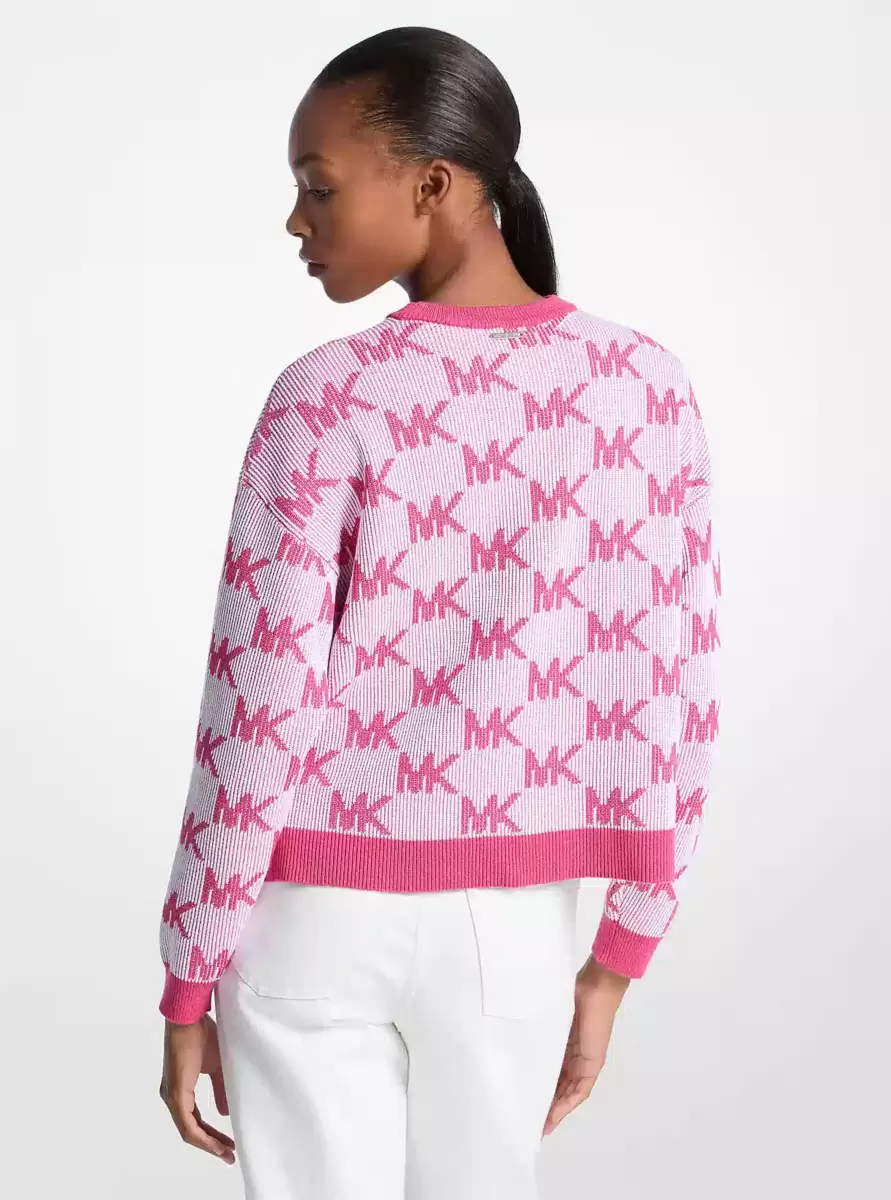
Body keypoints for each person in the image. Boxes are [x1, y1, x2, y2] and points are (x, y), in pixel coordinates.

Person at [157, 24, 721, 1200]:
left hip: (310, 920)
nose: (296, 221)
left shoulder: (325, 399)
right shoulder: (644, 388)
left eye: (318, 187)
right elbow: (675, 687)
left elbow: (257, 704)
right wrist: (619, 955)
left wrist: (190, 967)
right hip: (511, 933)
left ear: (433, 183)